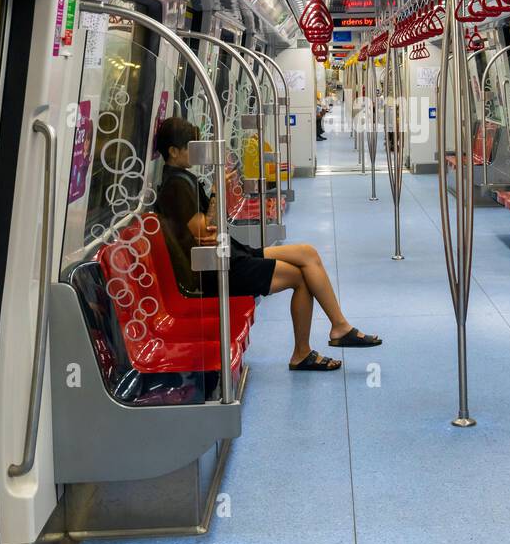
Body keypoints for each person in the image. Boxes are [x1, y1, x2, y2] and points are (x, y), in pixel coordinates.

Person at [154, 117, 381, 372]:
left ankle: (339, 326)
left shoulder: (184, 179)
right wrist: (218, 192)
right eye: (191, 146)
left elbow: (208, 228)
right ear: (173, 151)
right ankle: (307, 350)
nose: (197, 152)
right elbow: (204, 233)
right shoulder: (175, 187)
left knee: (308, 253)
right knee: (301, 277)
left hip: (228, 253)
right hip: (216, 268)